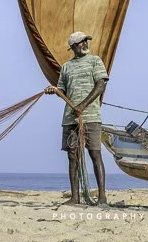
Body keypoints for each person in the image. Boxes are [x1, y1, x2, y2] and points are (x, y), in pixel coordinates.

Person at [44, 31, 109, 206]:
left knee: (95, 154)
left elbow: (101, 85)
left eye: (86, 41)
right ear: (73, 47)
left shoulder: (95, 61)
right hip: (70, 119)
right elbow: (62, 90)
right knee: (73, 156)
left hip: (92, 117)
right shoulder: (66, 67)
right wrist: (54, 90)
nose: (85, 44)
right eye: (81, 42)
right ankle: (75, 197)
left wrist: (83, 106)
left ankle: (102, 197)